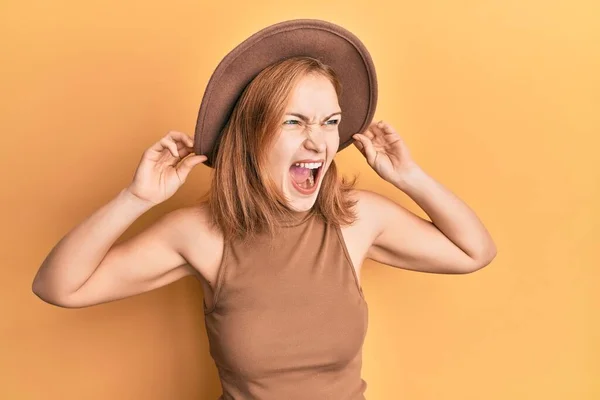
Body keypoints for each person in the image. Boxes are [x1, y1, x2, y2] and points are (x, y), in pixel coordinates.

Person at [32, 19, 496, 400]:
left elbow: (474, 252)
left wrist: (408, 177)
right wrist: (136, 199)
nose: (318, 141)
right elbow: (59, 287)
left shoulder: (356, 219)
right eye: (294, 122)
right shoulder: (201, 234)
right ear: (251, 134)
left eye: (330, 122)